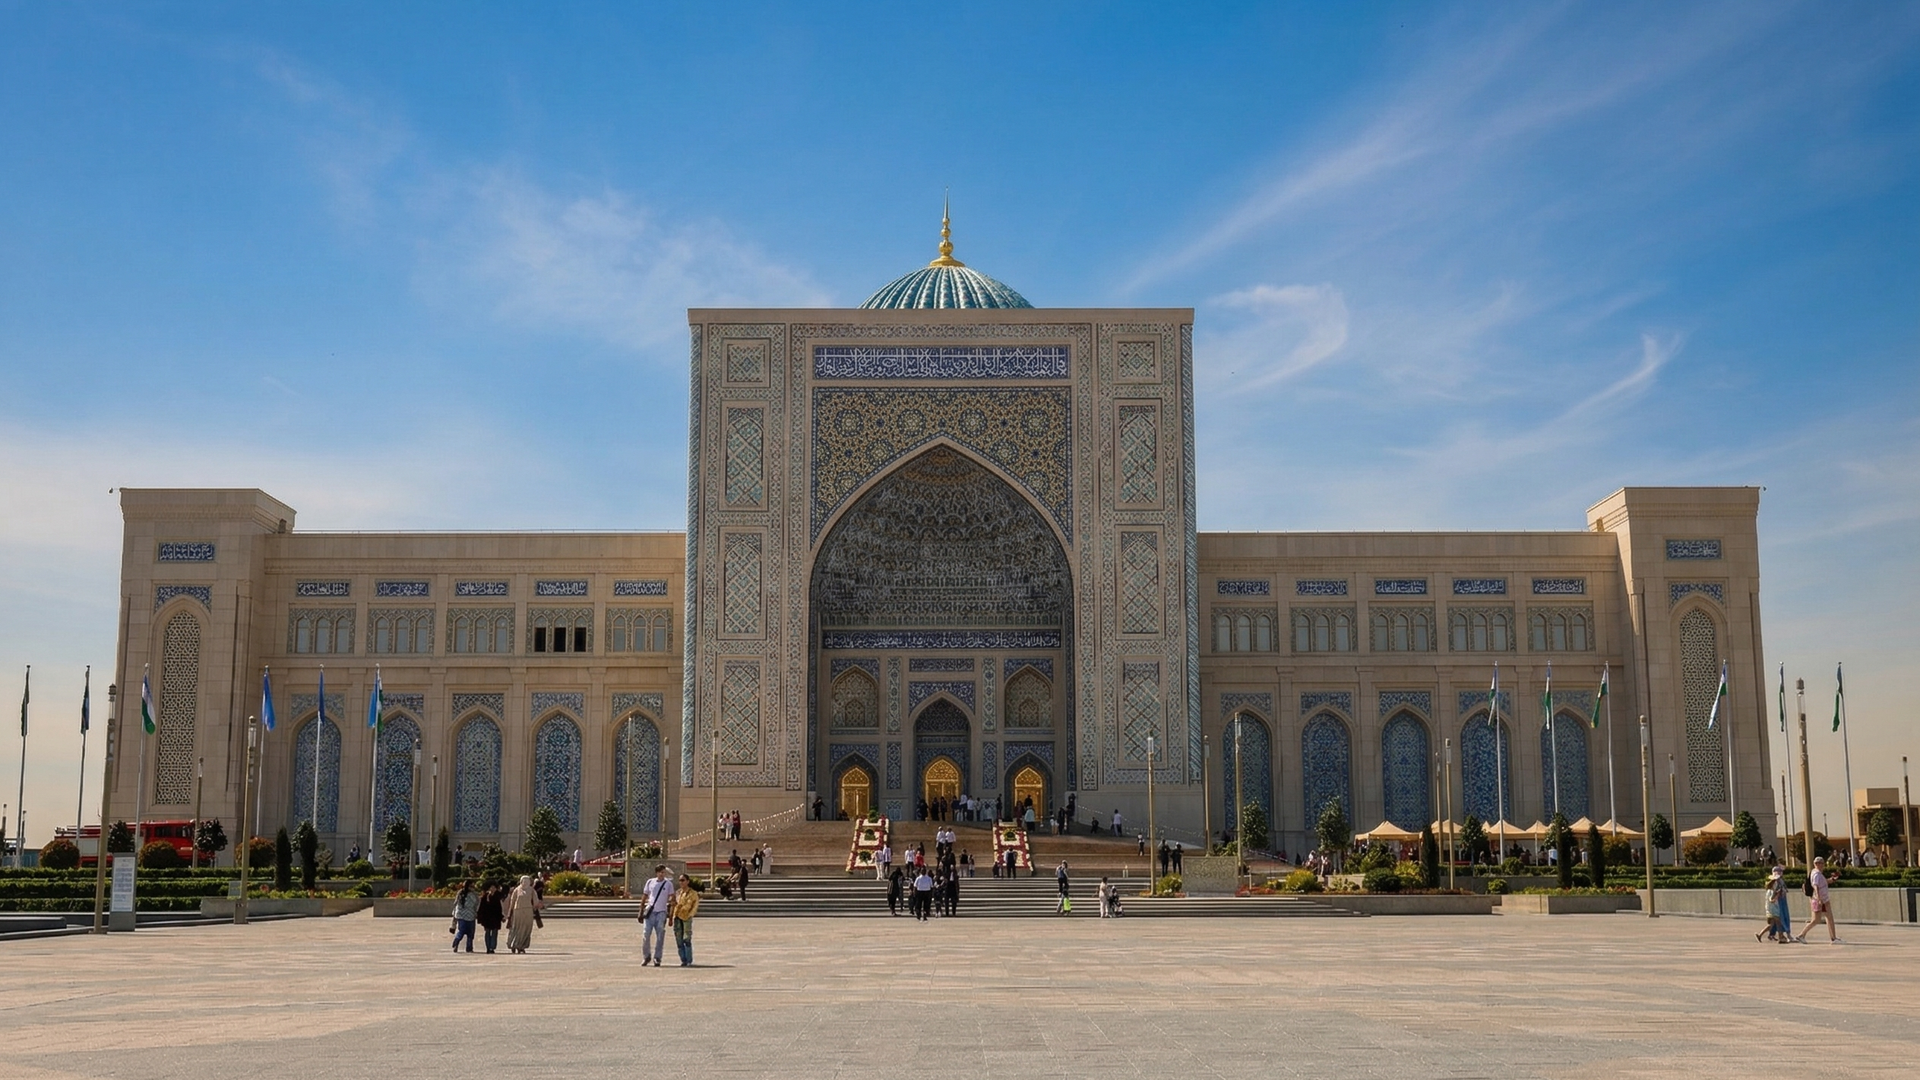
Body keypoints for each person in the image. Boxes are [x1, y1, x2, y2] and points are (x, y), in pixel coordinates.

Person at [1795, 857, 1841, 943]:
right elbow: (1815, 886)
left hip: (1822, 899)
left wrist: (1833, 879)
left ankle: (1833, 938)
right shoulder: (1816, 874)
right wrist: (1819, 898)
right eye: (1818, 863)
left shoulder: (1817, 873)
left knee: (1826, 918)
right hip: (1821, 900)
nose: (1820, 865)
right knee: (1817, 920)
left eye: (1821, 863)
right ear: (1815, 864)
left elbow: (1824, 882)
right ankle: (1801, 935)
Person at [639, 864, 675, 966]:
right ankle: (646, 956)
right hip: (650, 911)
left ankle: (657, 957)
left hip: (661, 912)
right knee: (646, 934)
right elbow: (645, 896)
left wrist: (671, 914)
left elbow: (672, 897)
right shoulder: (650, 882)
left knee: (660, 935)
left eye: (663, 872)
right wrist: (641, 911)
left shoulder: (668, 884)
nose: (661, 874)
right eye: (660, 872)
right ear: (656, 873)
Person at [670, 873, 701, 966]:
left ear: (687, 881)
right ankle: (683, 959)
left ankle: (689, 960)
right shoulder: (678, 893)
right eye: (680, 880)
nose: (681, 882)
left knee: (686, 939)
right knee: (679, 939)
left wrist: (690, 915)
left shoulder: (693, 893)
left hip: (686, 917)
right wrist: (671, 916)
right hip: (677, 917)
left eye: (683, 880)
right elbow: (673, 904)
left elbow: (695, 906)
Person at [505, 874, 541, 954]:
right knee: (517, 928)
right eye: (524, 881)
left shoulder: (531, 890)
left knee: (526, 929)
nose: (525, 882)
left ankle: (522, 946)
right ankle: (513, 944)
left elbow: (536, 901)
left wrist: (537, 906)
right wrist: (510, 912)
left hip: (528, 911)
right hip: (518, 911)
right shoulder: (517, 890)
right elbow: (512, 901)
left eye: (527, 881)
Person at [1760, 865, 1791, 943]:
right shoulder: (1772, 890)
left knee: (1773, 924)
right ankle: (1781, 937)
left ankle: (1763, 935)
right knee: (1778, 923)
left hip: (1772, 909)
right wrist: (1777, 895)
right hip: (1774, 909)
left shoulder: (1771, 889)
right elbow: (1772, 900)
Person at [476, 883, 505, 953]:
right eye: (491, 887)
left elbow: (499, 909)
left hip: (495, 918)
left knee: (494, 932)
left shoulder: (498, 896)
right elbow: (481, 908)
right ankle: (488, 947)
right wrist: (480, 917)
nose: (493, 889)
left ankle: (492, 947)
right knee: (487, 932)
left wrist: (502, 917)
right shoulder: (485, 897)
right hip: (487, 918)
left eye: (494, 887)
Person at [450, 880, 479, 953]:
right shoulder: (473, 895)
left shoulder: (460, 893)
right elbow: (476, 903)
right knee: (470, 933)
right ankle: (469, 948)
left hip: (460, 915)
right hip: (470, 916)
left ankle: (456, 942)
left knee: (461, 931)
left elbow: (455, 903)